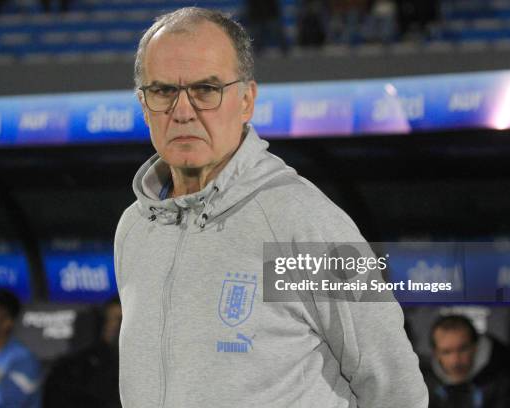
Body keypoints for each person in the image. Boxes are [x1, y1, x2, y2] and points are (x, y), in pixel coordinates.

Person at [114, 6, 428, 407]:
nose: (183, 111)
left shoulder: (301, 221)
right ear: (143, 104)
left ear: (246, 100)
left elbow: (395, 386)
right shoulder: (134, 228)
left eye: (206, 90)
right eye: (163, 92)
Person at [43, 297, 122, 408]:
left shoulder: (141, 366)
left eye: (119, 319)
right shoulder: (70, 368)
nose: (111, 325)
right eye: (107, 319)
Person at [422, 314, 510, 408]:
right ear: (436, 353)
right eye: (446, 352)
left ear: (475, 347)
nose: (455, 361)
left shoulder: (505, 382)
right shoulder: (423, 384)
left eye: (463, 349)